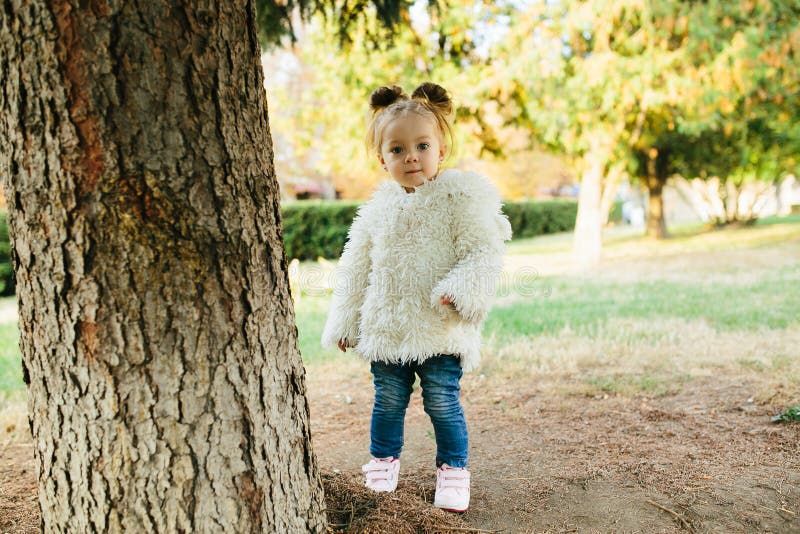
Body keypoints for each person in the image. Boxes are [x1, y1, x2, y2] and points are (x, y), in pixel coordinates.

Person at [321, 82, 512, 513]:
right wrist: (346, 323)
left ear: (441, 150)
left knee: (441, 399)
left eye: (422, 145)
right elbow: (356, 267)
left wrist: (459, 289)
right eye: (397, 149)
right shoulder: (377, 209)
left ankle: (453, 469)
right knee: (387, 398)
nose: (411, 156)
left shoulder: (459, 198)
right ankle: (383, 461)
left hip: (439, 326)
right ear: (382, 158)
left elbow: (483, 249)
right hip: (387, 325)